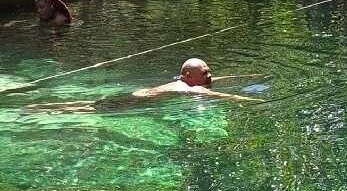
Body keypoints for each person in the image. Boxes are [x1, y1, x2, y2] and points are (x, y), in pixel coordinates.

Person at [20, 58, 262, 114]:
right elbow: (219, 94)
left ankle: (40, 107)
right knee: (87, 110)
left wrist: (244, 75)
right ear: (189, 75)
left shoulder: (187, 82)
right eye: (205, 72)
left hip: (136, 96)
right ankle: (40, 109)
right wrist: (248, 99)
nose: (210, 76)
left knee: (90, 106)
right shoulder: (191, 88)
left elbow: (214, 82)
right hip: (134, 101)